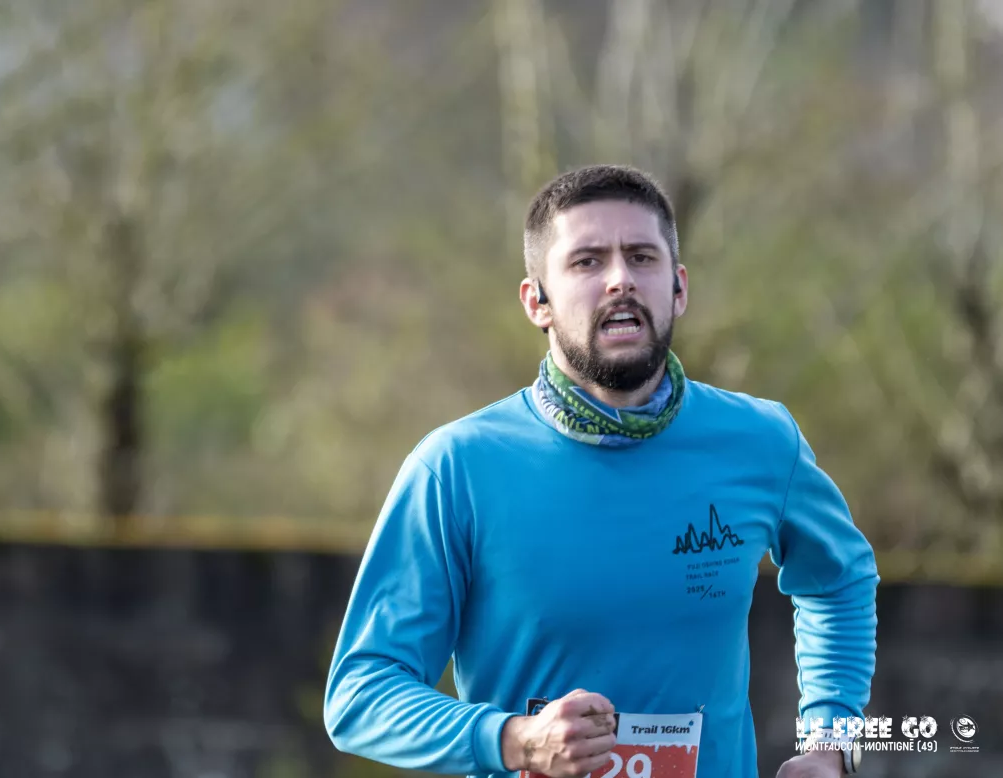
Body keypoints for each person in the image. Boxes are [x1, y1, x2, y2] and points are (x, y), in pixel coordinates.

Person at [323, 164, 878, 778]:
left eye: (641, 257)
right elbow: (360, 694)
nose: (620, 279)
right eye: (587, 261)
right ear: (537, 301)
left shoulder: (761, 440)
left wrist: (833, 742)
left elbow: (841, 578)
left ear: (678, 288)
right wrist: (514, 740)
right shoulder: (455, 468)